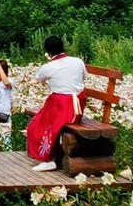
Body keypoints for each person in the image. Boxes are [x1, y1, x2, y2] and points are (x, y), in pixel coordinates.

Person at [25, 36, 88, 171]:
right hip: (78, 104)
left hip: (62, 104)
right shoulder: (77, 61)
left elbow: (39, 80)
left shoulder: (49, 66)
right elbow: (83, 78)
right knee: (47, 122)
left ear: (48, 52)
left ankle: (48, 159)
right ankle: (50, 157)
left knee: (37, 126)